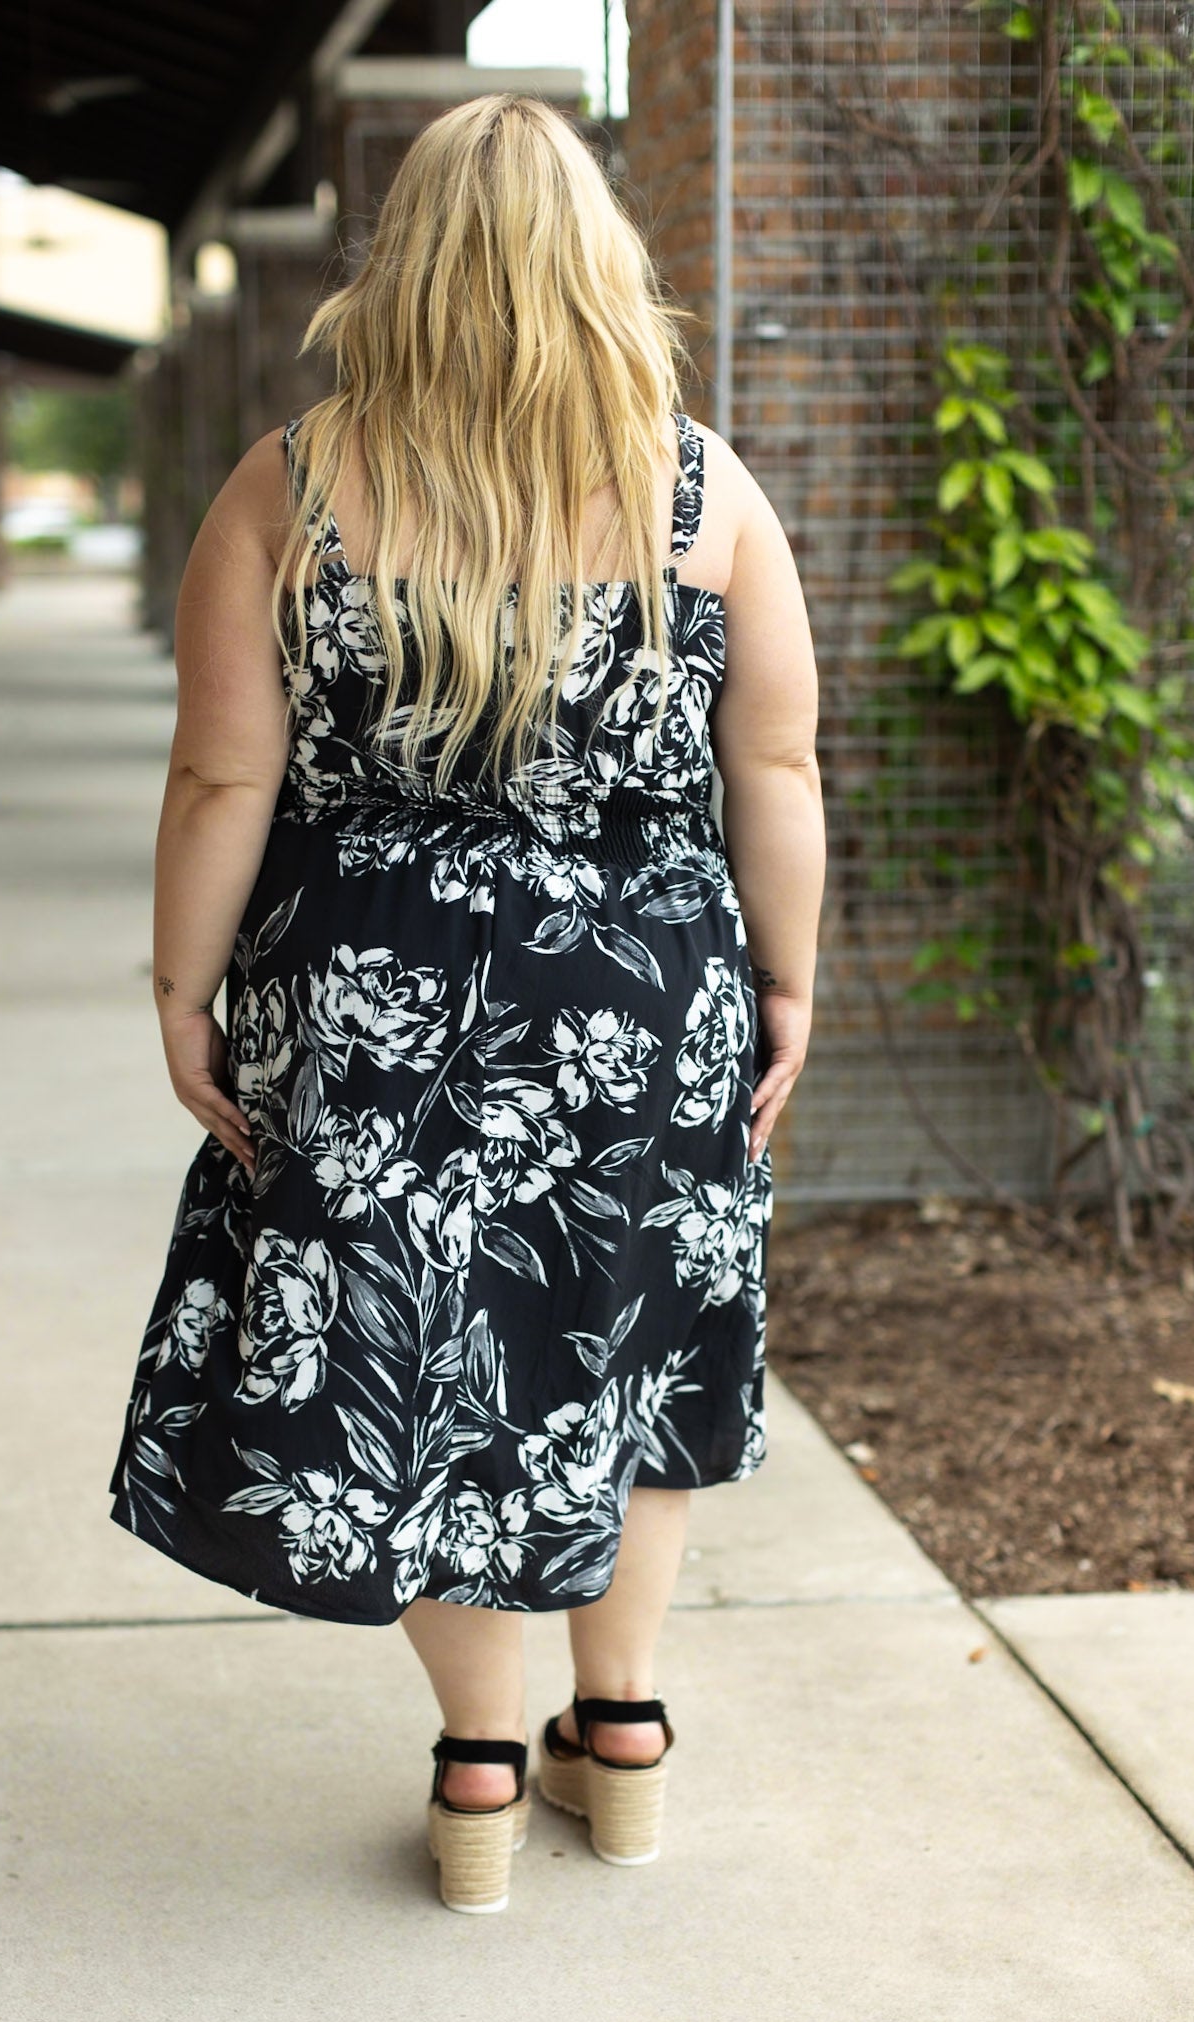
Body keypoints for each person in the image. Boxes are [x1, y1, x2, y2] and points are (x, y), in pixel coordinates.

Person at [107, 92, 824, 1914]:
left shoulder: (292, 484)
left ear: (397, 262)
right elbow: (783, 763)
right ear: (600, 260)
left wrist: (184, 990)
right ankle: (628, 1723)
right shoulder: (698, 484)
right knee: (625, 1348)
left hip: (376, 1014)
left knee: (411, 1376)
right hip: (643, 1000)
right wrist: (787, 980)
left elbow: (217, 782)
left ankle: (482, 1769)